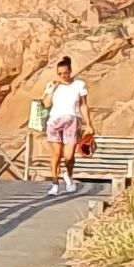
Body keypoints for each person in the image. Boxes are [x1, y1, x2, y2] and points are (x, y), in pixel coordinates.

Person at [43, 59, 90, 193]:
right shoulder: (53, 85)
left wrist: (89, 124)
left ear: (70, 71)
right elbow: (46, 104)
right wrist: (52, 89)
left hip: (72, 119)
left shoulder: (79, 84)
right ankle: (55, 184)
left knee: (69, 156)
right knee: (56, 153)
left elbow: (84, 105)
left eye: (65, 73)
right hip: (55, 120)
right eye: (60, 73)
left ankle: (68, 175)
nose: (63, 76)